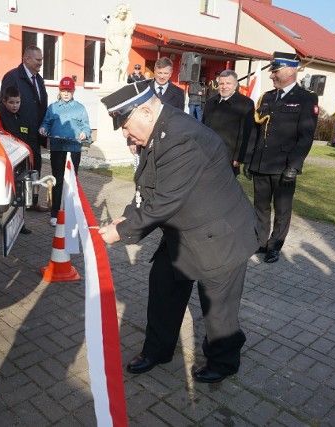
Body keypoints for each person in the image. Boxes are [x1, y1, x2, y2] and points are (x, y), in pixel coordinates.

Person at [99, 81, 259, 383]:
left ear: (146, 111)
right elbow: (148, 191)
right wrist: (122, 220)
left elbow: (163, 201)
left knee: (218, 307)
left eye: (126, 125)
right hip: (184, 232)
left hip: (220, 233)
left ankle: (223, 362)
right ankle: (157, 351)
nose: (125, 134)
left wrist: (119, 233)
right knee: (163, 287)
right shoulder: (158, 132)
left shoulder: (181, 137)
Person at [248, 52, 318, 264]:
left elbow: (306, 136)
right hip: (261, 163)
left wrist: (294, 166)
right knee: (260, 207)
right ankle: (260, 241)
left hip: (284, 166)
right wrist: (250, 160)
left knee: (282, 208)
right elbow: (256, 131)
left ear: (291, 71)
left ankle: (275, 245)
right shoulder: (267, 97)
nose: (271, 76)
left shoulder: (306, 98)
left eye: (275, 71)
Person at [0, 46, 49, 212]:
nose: (41, 63)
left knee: (36, 167)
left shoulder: (39, 79)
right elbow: (5, 109)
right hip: (19, 138)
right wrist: (14, 136)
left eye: (41, 59)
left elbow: (42, 105)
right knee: (20, 173)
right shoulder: (12, 77)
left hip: (35, 135)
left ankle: (32, 201)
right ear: (27, 59)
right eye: (38, 60)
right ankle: (16, 207)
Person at [39, 76, 91, 226]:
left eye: (69, 90)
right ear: (59, 91)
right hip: (57, 148)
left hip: (74, 148)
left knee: (72, 181)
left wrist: (84, 133)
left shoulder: (80, 108)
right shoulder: (53, 107)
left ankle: (71, 212)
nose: (66, 93)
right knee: (58, 180)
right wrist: (43, 129)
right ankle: (55, 213)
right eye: (63, 90)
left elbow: (86, 126)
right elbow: (46, 123)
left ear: (73, 91)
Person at [127, 57, 185, 170]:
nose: (162, 76)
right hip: (144, 140)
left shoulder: (178, 93)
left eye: (165, 73)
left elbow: (179, 120)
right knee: (143, 175)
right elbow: (132, 117)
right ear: (154, 71)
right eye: (159, 72)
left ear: (171, 73)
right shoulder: (142, 89)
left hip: (167, 142)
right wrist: (131, 140)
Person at [203, 70, 255, 176]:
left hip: (229, 156)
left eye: (228, 83)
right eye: (221, 83)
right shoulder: (210, 102)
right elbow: (203, 127)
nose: (224, 86)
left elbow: (246, 133)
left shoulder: (245, 104)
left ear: (235, 85)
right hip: (207, 154)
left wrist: (239, 157)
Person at [0, 86, 33, 234]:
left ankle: (20, 223)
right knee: (9, 195)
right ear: (4, 102)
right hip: (7, 163)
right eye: (11, 102)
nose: (15, 105)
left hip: (20, 163)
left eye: (17, 102)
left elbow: (27, 136)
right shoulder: (0, 118)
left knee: (21, 194)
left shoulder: (22, 117)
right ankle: (5, 225)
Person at [101, 3, 135, 83]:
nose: (123, 15)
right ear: (118, 13)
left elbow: (130, 26)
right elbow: (110, 34)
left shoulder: (124, 23)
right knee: (117, 61)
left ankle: (122, 78)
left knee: (125, 61)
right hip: (115, 43)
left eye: (124, 14)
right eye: (122, 13)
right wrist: (114, 44)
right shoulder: (113, 22)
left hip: (123, 42)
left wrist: (129, 11)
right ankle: (115, 80)